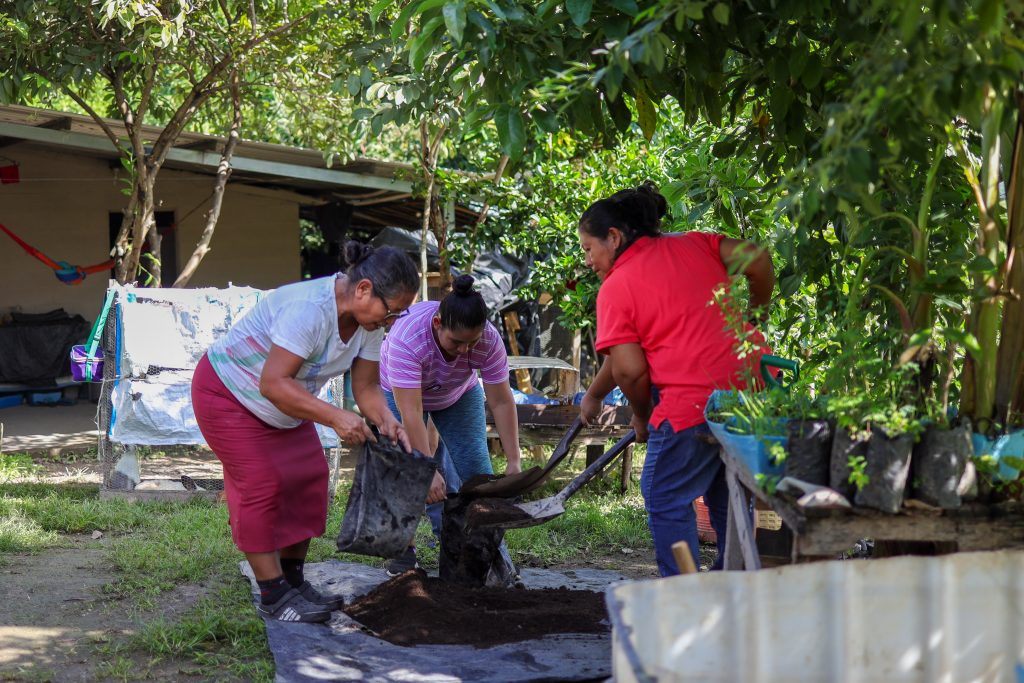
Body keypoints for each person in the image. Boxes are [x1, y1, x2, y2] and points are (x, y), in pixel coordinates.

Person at [191, 242, 419, 623]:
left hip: (281, 401)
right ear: (363, 289)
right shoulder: (310, 310)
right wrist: (335, 417)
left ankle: (293, 580)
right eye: (392, 310)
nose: (392, 320)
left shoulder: (369, 324)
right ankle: (273, 595)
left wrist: (386, 420)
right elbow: (273, 383)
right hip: (227, 393)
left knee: (309, 476)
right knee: (261, 484)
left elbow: (365, 389)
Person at [576, 182, 775, 577]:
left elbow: (631, 370)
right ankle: (736, 585)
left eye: (587, 248)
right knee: (726, 491)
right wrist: (755, 314)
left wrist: (642, 415)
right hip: (746, 394)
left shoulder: (617, 286)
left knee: (663, 493)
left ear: (613, 237)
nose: (587, 260)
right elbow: (759, 258)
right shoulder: (698, 244)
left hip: (691, 404)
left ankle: (686, 596)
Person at [379, 274, 522, 575]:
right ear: (437, 324)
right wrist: (426, 468)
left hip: (458, 393)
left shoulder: (489, 340)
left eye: (472, 342)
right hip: (401, 394)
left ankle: (486, 550)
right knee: (405, 469)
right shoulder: (408, 340)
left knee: (478, 472)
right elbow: (412, 414)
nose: (464, 351)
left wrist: (514, 460)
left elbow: (501, 401)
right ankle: (402, 551)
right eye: (456, 342)